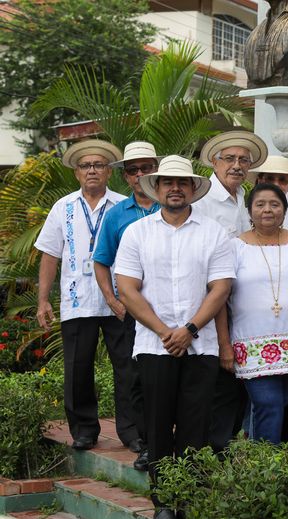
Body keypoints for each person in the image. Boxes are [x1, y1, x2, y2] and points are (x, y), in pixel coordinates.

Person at [114, 155, 234, 519]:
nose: (176, 188)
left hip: (201, 345)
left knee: (196, 426)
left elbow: (221, 288)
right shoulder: (138, 233)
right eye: (168, 182)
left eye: (182, 182)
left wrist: (190, 329)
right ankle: (164, 500)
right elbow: (126, 288)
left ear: (193, 189)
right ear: (158, 188)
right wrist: (166, 331)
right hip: (155, 346)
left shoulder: (213, 232)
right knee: (158, 423)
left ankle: (190, 497)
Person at [34, 139, 133, 452]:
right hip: (77, 301)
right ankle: (84, 430)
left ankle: (132, 431)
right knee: (78, 369)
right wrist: (43, 300)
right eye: (85, 165)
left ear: (109, 172)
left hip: (121, 301)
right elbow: (50, 254)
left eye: (99, 165)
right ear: (76, 172)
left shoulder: (124, 206)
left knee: (128, 368)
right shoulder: (62, 207)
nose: (92, 170)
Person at [218, 183, 288, 444]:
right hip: (252, 344)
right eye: (260, 204)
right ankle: (266, 462)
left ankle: (255, 452)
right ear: (250, 211)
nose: (267, 209)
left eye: (274, 204)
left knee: (278, 403)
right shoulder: (235, 247)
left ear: (284, 210)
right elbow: (220, 300)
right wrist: (224, 344)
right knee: (268, 403)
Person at [197, 130, 268, 452]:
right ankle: (211, 448)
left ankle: (227, 445)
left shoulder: (244, 199)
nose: (237, 165)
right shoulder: (203, 201)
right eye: (229, 159)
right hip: (209, 300)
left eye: (243, 160)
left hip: (243, 302)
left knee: (237, 377)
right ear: (214, 162)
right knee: (216, 378)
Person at [92, 141, 162, 470]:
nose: (139, 175)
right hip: (131, 309)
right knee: (131, 374)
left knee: (169, 374)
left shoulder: (171, 205)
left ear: (156, 170)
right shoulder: (116, 214)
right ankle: (136, 434)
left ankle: (170, 435)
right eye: (132, 170)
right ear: (125, 176)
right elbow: (101, 260)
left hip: (171, 308)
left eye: (146, 168)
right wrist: (112, 299)